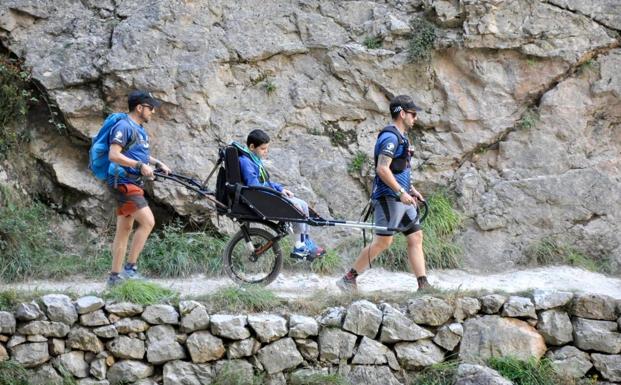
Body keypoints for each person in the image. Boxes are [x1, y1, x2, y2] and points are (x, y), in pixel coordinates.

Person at [337, 95, 430, 292]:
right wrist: (401, 192)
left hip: (403, 198)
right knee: (383, 242)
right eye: (413, 114)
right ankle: (348, 278)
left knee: (416, 237)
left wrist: (412, 190)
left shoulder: (402, 137)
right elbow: (382, 169)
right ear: (402, 113)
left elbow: (400, 169)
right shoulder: (390, 137)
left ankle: (423, 284)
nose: (416, 118)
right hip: (389, 197)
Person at [106, 90, 171, 287]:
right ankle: (130, 269)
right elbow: (114, 155)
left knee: (124, 229)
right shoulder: (123, 126)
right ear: (139, 107)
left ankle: (114, 277)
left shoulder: (139, 129)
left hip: (132, 182)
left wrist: (156, 162)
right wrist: (139, 166)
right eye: (150, 108)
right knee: (148, 222)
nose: (152, 112)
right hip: (124, 183)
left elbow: (138, 154)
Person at [236, 129, 326, 261]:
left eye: (267, 148)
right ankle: (298, 246)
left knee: (303, 204)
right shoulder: (246, 162)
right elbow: (254, 185)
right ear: (251, 147)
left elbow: (265, 182)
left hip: (266, 195)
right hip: (261, 199)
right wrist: (276, 193)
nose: (266, 151)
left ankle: (305, 241)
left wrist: (280, 189)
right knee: (296, 207)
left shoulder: (254, 159)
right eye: (263, 148)